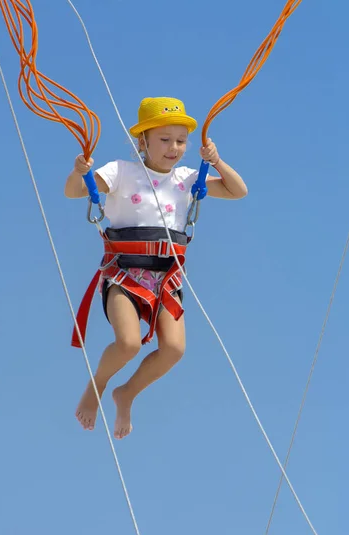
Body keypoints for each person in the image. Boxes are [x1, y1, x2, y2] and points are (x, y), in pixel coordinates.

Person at [64, 97, 248, 440]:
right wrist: (81, 172)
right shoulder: (122, 172)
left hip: (167, 278)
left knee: (175, 350)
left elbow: (238, 191)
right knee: (129, 343)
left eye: (180, 141)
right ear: (143, 141)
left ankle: (127, 393)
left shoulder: (187, 178)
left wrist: (217, 161)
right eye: (164, 140)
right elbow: (73, 191)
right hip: (124, 274)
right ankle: (99, 384)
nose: (173, 148)